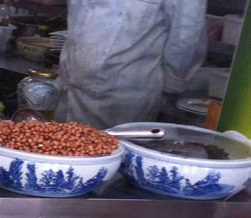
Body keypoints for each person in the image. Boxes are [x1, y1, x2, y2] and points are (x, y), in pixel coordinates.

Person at [55, 0, 207, 129]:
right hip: (68, 82)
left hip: (122, 94)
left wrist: (171, 84)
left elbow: (186, 35)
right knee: (58, 146)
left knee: (113, 150)